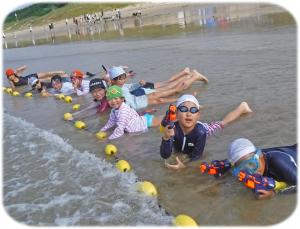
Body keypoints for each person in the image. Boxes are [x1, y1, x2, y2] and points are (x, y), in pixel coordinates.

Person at [160, 94, 253, 170]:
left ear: (198, 115)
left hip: (206, 128)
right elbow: (165, 155)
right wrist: (166, 138)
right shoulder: (172, 128)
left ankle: (242, 108)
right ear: (176, 114)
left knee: (222, 124)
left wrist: (184, 166)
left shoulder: (201, 132)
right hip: (181, 128)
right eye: (184, 109)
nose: (188, 114)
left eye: (193, 110)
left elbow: (196, 157)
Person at [108, 66, 208, 110]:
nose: (123, 80)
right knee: (170, 88)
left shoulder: (120, 87)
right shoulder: (114, 90)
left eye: (124, 78)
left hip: (141, 98)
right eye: (120, 79)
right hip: (141, 100)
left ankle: (193, 77)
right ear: (112, 80)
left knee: (173, 89)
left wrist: (139, 84)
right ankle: (190, 81)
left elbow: (129, 89)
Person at [228, 138, 297, 199]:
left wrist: (275, 193)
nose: (252, 172)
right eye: (244, 169)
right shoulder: (252, 159)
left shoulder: (278, 162)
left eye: (252, 164)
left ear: (260, 155)